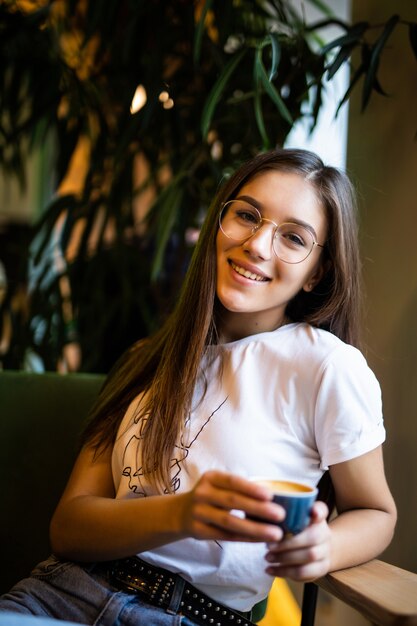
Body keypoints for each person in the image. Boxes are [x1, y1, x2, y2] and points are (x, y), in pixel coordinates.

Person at [0, 148, 397, 625]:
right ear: (218, 224)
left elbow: (376, 512)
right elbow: (69, 527)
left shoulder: (327, 367)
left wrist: (325, 548)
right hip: (61, 596)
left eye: (293, 237)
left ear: (318, 272)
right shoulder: (147, 359)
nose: (257, 244)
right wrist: (182, 513)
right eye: (247, 215)